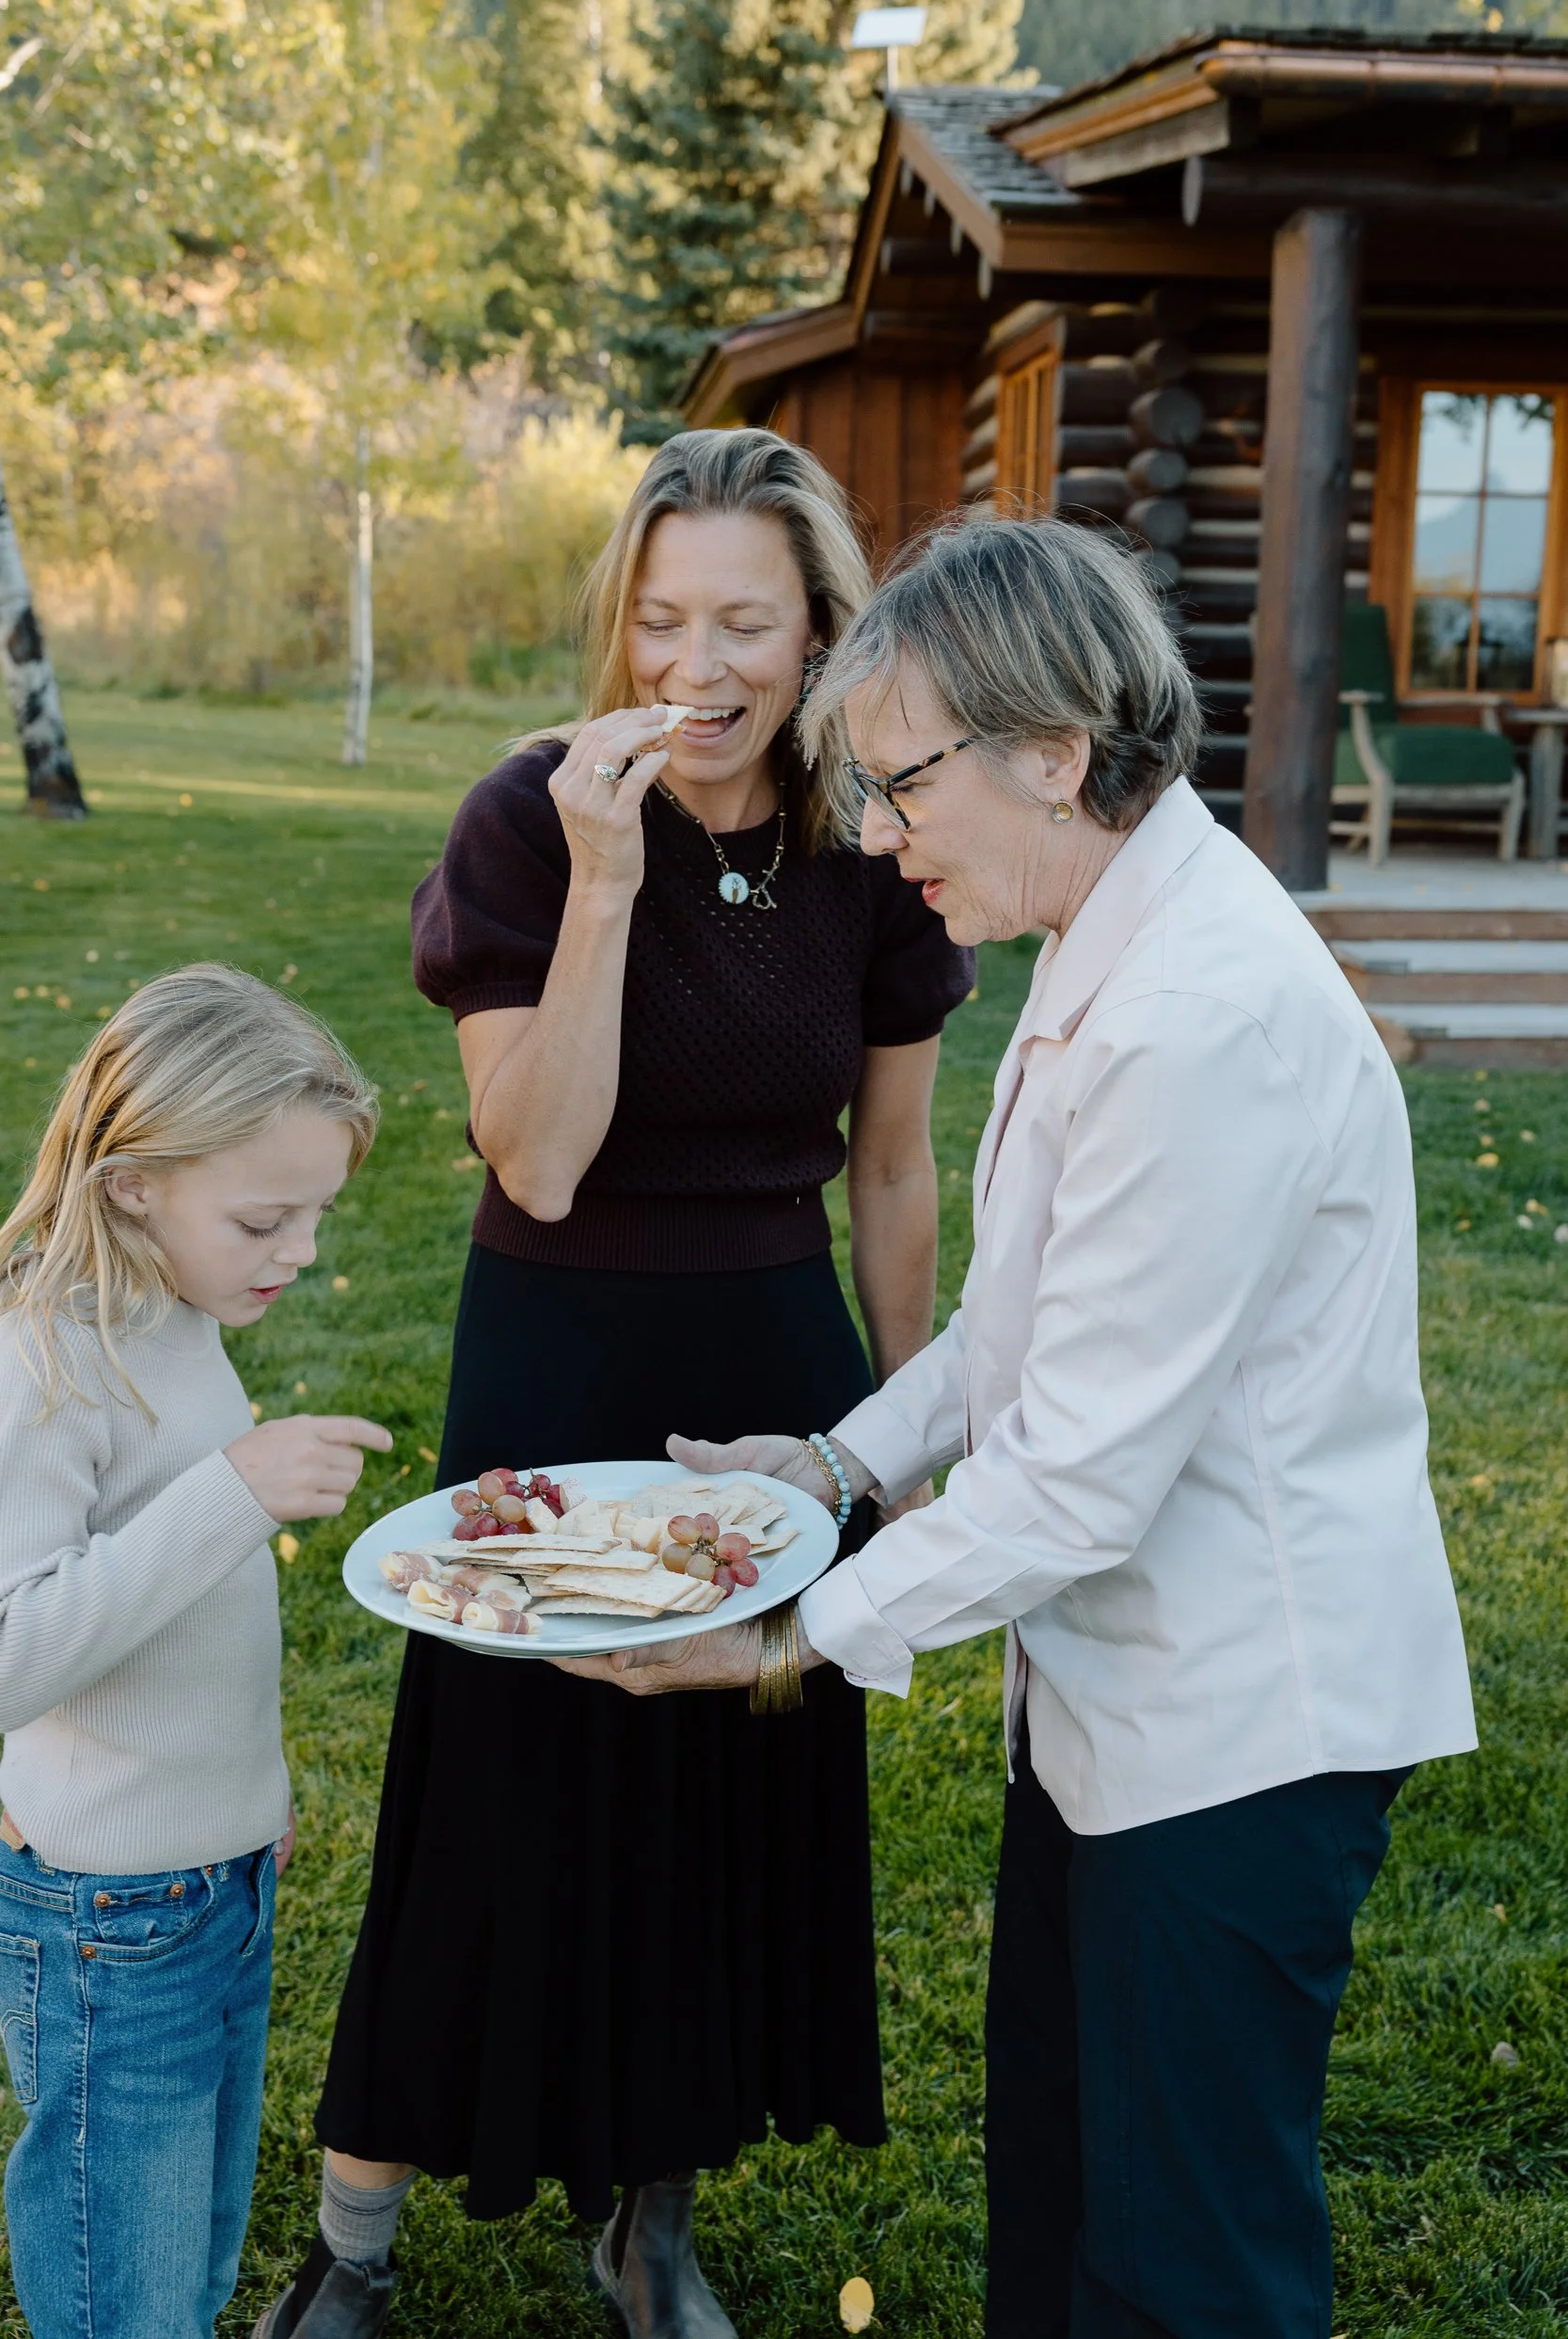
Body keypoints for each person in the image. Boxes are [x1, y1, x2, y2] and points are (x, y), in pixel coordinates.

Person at [565, 515, 1480, 2339]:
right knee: (1063, 2206)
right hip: (1113, 1718)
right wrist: (832, 1465)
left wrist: (776, 1638)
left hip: (1237, 1736)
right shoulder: (1108, 926)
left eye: (901, 784)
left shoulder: (1196, 1012)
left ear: (1052, 751)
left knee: (1179, 2269)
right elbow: (1018, 1325)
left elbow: (1072, 1479)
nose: (882, 835)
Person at [263, 430, 974, 2339]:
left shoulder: (872, 835)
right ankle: (354, 2229)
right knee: (495, 1784)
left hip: (768, 1367)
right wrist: (599, 878)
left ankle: (645, 2219)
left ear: (821, 625)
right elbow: (543, 1159)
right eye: (661, 615)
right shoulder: (529, 816)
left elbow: (892, 1163)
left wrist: (895, 1431)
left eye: (747, 616)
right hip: (556, 1354)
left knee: (714, 1804)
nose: (704, 657)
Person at [0, 964, 389, 2339]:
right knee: (129, 2291)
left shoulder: (175, 1318)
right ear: (133, 1184)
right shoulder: (44, 1359)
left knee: (195, 2259)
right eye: (263, 1218)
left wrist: (247, 1802)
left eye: (316, 1217)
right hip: (109, 1920)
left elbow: (191, 1638)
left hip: (213, 1884)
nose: (293, 1251)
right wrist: (228, 1492)